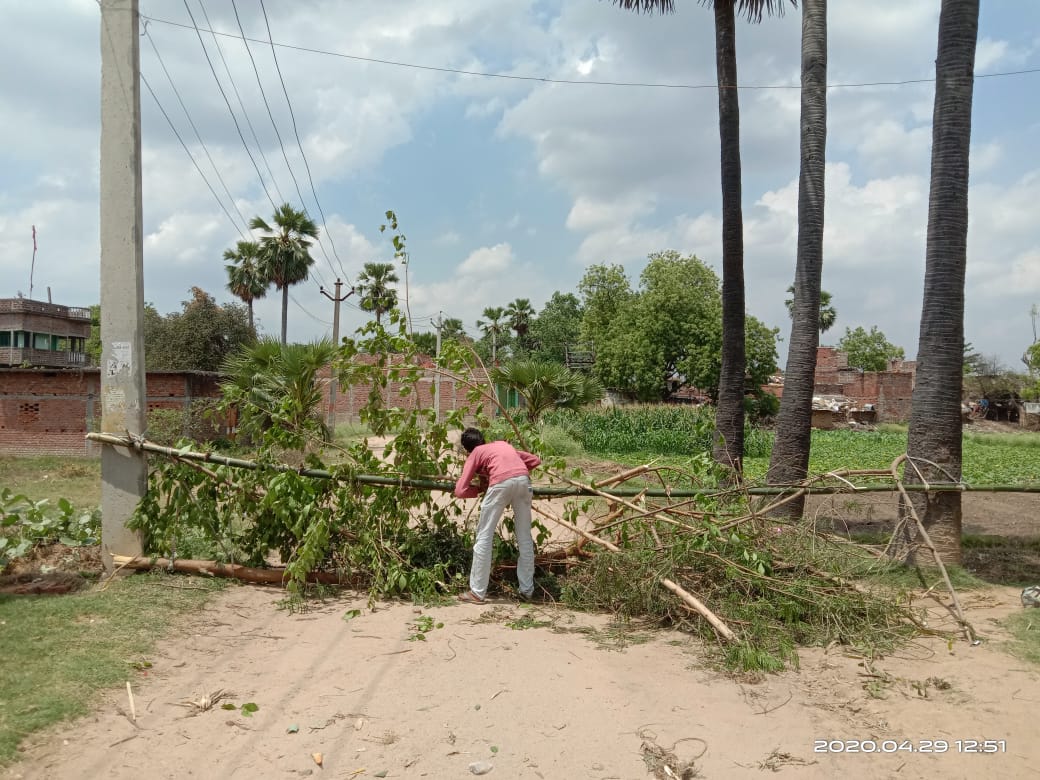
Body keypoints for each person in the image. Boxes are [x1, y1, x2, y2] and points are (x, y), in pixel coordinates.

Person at [454, 427, 540, 604]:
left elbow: (460, 490)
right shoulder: (502, 445)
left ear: (466, 449)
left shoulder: (476, 452)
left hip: (500, 483)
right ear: (483, 439)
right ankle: (527, 590)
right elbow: (534, 460)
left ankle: (477, 592)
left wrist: (478, 489)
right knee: (524, 536)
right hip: (524, 481)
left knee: (484, 536)